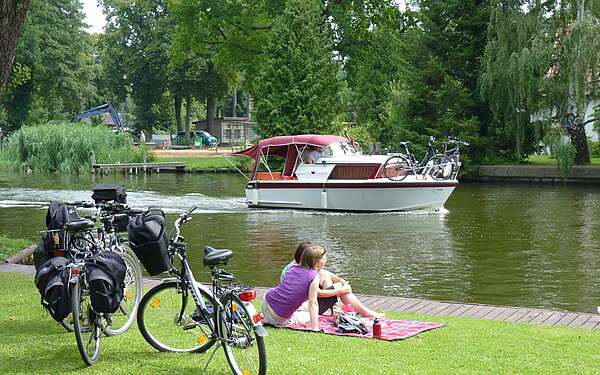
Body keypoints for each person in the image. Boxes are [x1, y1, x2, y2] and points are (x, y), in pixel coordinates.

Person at [280, 242, 380, 318]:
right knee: (338, 286)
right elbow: (317, 294)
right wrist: (341, 290)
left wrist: (342, 282)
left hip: (297, 306)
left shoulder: (297, 267)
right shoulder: (302, 271)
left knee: (329, 278)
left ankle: (339, 309)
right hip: (303, 308)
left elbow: (327, 274)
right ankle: (364, 312)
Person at [262, 245, 325, 330]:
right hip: (278, 317)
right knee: (308, 316)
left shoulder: (292, 268)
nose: (325, 261)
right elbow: (313, 303)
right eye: (324, 259)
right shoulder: (314, 276)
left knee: (303, 307)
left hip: (266, 302)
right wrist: (315, 328)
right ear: (316, 261)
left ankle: (267, 317)